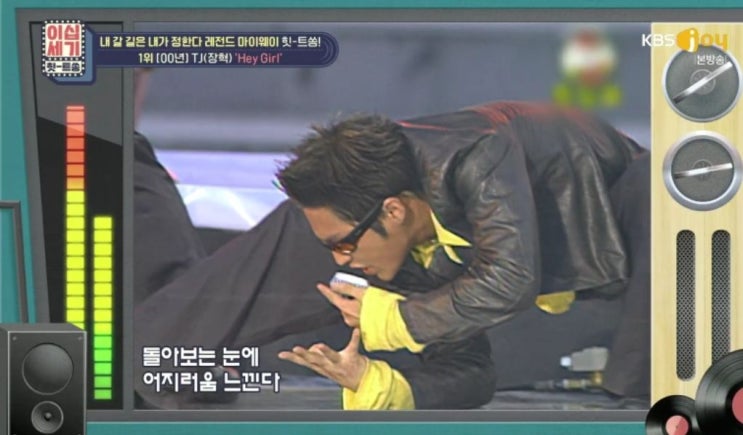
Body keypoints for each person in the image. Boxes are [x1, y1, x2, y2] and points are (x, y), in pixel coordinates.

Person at [134, 100, 649, 409]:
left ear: (395, 211)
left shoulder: (476, 156)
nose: (341, 261)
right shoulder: (400, 242)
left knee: (662, 193)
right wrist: (377, 383)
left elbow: (510, 279)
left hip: (621, 225)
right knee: (298, 230)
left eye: (345, 245)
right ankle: (135, 358)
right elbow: (471, 373)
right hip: (459, 240)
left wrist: (393, 319)